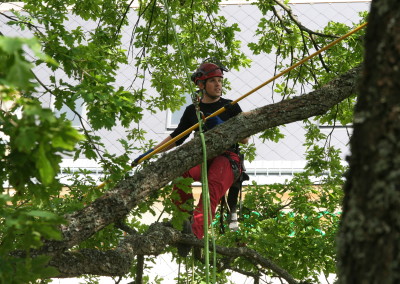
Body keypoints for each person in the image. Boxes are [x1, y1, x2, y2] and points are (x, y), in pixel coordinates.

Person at [133, 59, 249, 256]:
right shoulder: (192, 111)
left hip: (226, 159)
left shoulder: (230, 107)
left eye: (220, 80)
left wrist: (223, 125)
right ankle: (183, 221)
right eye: (213, 81)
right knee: (182, 174)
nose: (218, 84)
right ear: (201, 85)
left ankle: (194, 234)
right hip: (203, 157)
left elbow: (245, 138)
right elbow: (176, 138)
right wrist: (150, 153)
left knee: (211, 189)